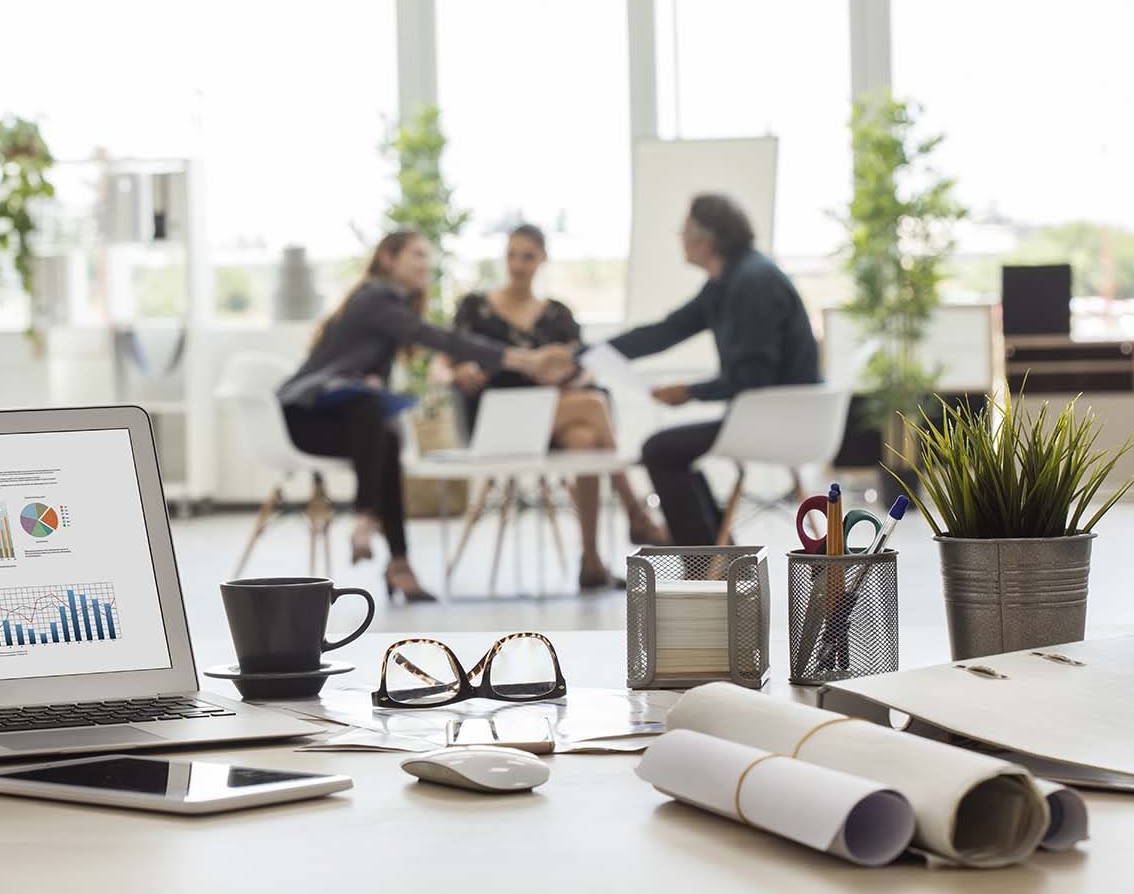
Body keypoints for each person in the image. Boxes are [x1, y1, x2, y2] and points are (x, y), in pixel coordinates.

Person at [279, 230, 572, 602]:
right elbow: (440, 339)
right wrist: (523, 358)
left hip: (345, 418)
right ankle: (368, 519)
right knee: (373, 413)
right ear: (388, 257)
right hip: (302, 419)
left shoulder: (383, 302)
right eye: (417, 255)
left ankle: (396, 560)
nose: (425, 265)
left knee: (383, 432)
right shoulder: (374, 298)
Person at [443, 224, 670, 590]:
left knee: (585, 439)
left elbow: (583, 369)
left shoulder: (558, 315)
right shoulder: (475, 308)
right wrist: (460, 370)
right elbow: (444, 362)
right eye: (512, 255)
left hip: (550, 417)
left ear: (542, 259)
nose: (518, 264)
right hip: (494, 420)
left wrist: (559, 374)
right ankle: (637, 513)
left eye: (527, 256)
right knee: (595, 405)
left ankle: (592, 562)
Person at [604, 194, 819, 545]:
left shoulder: (752, 283)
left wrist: (690, 392)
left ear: (706, 240)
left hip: (782, 418)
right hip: (770, 413)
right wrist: (588, 353)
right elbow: (666, 331)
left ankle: (707, 562)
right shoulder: (728, 281)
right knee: (669, 451)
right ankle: (718, 557)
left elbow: (753, 378)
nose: (680, 238)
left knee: (660, 450)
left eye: (684, 230)